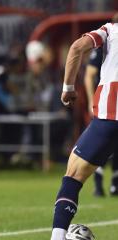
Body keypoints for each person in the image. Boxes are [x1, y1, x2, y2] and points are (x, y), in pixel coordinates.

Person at [51, 22, 118, 240]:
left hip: (110, 115)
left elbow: (76, 48)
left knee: (73, 177)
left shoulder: (110, 30)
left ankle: (58, 237)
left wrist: (68, 89)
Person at [84, 47, 118, 197]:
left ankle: (115, 184)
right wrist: (91, 100)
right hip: (105, 103)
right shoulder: (104, 47)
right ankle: (98, 184)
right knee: (102, 144)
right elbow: (89, 75)